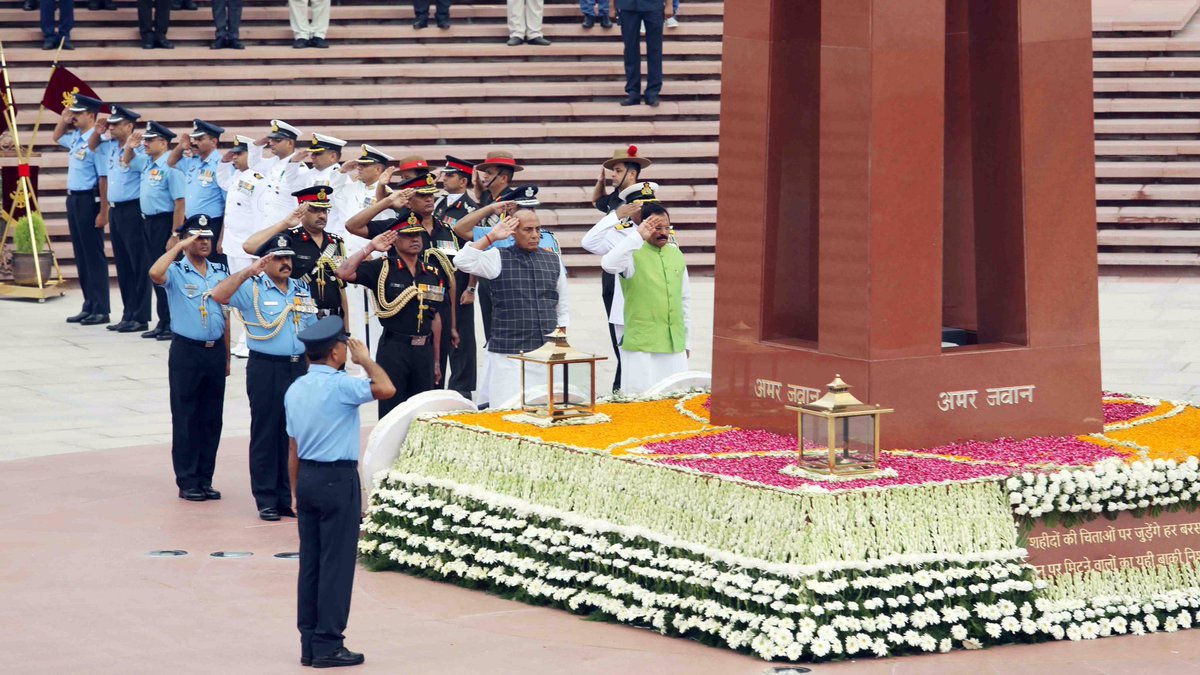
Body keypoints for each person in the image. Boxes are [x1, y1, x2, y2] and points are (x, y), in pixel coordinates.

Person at [286, 316, 394, 669]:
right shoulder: (342, 386)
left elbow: (293, 446)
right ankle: (329, 643)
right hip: (337, 480)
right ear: (335, 352)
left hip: (308, 478)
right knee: (336, 565)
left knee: (311, 565)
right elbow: (386, 388)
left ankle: (309, 642)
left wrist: (295, 491)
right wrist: (365, 360)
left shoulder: (295, 389)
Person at [211, 234, 318, 521]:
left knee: (293, 434)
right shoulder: (252, 289)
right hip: (267, 368)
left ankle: (287, 495)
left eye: (289, 258)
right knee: (267, 433)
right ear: (266, 261)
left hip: (298, 368)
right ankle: (266, 498)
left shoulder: (301, 289)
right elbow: (219, 296)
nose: (286, 263)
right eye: (279, 258)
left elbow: (312, 332)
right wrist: (248, 271)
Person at [148, 216, 230, 501]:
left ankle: (205, 478)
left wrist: (227, 356)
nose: (205, 242)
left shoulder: (220, 271)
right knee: (186, 416)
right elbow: (154, 274)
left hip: (215, 351)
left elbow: (224, 315)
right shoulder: (176, 271)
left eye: (207, 237)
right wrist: (178, 245)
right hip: (187, 352)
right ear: (186, 240)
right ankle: (187, 480)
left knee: (212, 419)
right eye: (198, 238)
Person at [454, 208, 569, 408]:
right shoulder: (498, 257)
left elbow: (562, 303)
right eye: (528, 230)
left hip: (546, 349)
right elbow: (462, 261)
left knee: (548, 409)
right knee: (507, 410)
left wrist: (561, 335)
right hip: (509, 353)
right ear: (514, 232)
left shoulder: (553, 259)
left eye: (538, 229)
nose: (535, 235)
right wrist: (491, 237)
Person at [335, 224, 448, 418]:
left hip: (424, 351)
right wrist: (370, 248)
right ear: (395, 239)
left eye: (417, 235)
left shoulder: (432, 272)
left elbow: (435, 317)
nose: (415, 240)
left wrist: (437, 361)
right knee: (391, 411)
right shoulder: (383, 267)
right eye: (408, 236)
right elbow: (343, 273)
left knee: (423, 412)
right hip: (395, 348)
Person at [601, 203, 690, 394]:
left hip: (674, 344)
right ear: (644, 227)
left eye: (667, 228)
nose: (663, 233)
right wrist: (637, 236)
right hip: (641, 347)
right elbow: (608, 264)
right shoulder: (632, 254)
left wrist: (687, 342)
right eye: (657, 228)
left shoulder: (676, 254)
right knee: (641, 401)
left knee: (674, 401)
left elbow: (684, 300)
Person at [584, 154, 653, 391]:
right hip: (612, 274)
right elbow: (597, 203)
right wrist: (601, 181)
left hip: (631, 273)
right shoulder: (617, 199)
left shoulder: (639, 198)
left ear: (632, 173)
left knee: (627, 334)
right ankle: (622, 382)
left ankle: (622, 385)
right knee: (618, 333)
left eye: (618, 169)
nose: (614, 174)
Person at [242, 187, 350, 319]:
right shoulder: (289, 239)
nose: (321, 215)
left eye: (324, 210)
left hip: (334, 317)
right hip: (300, 316)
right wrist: (285, 223)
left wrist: (347, 331)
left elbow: (341, 289)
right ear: (302, 211)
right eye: (315, 210)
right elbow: (249, 246)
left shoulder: (335, 242)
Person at [90, 105, 151, 333]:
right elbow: (92, 146)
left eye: (116, 124)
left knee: (138, 264)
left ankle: (141, 316)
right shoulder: (110, 148)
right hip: (116, 211)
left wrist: (131, 148)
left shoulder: (141, 149)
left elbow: (140, 165)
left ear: (129, 126)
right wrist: (98, 131)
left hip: (133, 210)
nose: (111, 127)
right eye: (111, 124)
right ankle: (128, 313)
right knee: (123, 265)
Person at [125, 120, 186, 340]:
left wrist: (175, 234)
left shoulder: (170, 168)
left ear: (163, 142)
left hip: (164, 223)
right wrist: (130, 146)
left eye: (150, 141)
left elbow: (180, 203)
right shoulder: (147, 163)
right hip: (147, 222)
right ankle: (163, 321)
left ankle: (172, 322)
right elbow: (127, 160)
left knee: (166, 274)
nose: (145, 144)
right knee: (155, 273)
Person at [53, 94, 110, 326]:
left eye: (77, 114)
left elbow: (103, 179)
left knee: (93, 255)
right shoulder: (76, 137)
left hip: (89, 200)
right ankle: (89, 304)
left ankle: (101, 308)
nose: (73, 117)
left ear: (90, 115)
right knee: (81, 254)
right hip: (74, 200)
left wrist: (103, 211)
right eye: (72, 113)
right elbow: (56, 137)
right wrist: (64, 119)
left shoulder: (96, 143)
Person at [216, 135, 269, 358]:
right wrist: (223, 162)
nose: (235, 157)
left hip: (248, 246)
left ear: (251, 154)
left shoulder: (257, 179)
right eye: (234, 153)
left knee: (252, 294)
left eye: (239, 153)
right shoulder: (237, 176)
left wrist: (258, 246)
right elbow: (221, 182)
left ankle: (252, 338)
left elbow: (260, 215)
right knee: (238, 294)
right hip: (232, 244)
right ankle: (243, 337)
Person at [432, 156, 479, 399]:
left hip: (459, 278)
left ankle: (461, 388)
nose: (443, 178)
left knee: (461, 334)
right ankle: (436, 383)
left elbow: (475, 248)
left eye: (449, 175)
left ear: (463, 181)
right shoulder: (438, 205)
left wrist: (471, 287)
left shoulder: (471, 209)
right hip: (437, 276)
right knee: (438, 329)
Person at [170, 119, 227, 264]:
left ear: (213, 141)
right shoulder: (192, 161)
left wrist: (222, 237)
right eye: (195, 139)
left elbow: (228, 205)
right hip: (191, 224)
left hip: (212, 225)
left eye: (200, 139)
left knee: (212, 268)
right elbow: (171, 162)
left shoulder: (221, 166)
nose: (195, 142)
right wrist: (181, 147)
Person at [613, 0, 672, 106]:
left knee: (655, 50)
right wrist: (611, 6)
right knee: (630, 49)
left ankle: (652, 93)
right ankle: (633, 92)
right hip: (628, 6)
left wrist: (669, 5)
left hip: (653, 6)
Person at [252, 120, 305, 227]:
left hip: (287, 229)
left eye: (277, 140)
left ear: (290, 143)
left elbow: (300, 203)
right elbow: (254, 165)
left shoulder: (299, 168)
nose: (271, 143)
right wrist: (256, 147)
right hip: (268, 225)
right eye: (271, 139)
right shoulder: (273, 162)